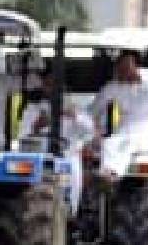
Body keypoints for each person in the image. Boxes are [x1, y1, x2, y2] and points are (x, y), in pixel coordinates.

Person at [87, 49, 148, 179]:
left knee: (132, 146)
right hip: (125, 129)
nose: (124, 69)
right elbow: (93, 110)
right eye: (121, 65)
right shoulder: (113, 86)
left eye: (128, 65)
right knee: (109, 144)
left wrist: (131, 75)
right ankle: (110, 179)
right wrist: (95, 130)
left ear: (136, 66)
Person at [18, 72, 94, 214]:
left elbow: (89, 131)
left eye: (56, 85)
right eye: (48, 85)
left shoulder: (74, 109)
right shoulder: (33, 109)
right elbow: (22, 136)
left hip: (67, 155)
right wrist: (37, 126)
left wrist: (74, 116)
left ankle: (72, 210)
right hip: (41, 156)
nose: (52, 89)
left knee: (73, 171)